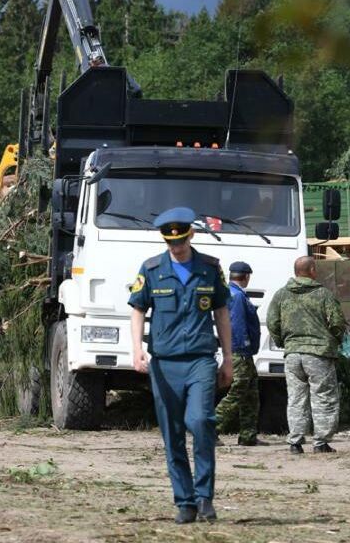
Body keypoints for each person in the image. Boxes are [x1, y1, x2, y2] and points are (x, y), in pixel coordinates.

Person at [128, 207, 233, 524]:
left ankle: (205, 498)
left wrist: (228, 358)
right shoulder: (151, 269)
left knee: (200, 422)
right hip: (164, 363)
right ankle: (185, 502)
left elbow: (222, 314)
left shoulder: (210, 269)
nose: (176, 247)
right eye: (171, 242)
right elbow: (137, 310)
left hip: (200, 360)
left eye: (181, 241)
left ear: (191, 235)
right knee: (172, 436)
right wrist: (136, 350)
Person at [267, 256, 345, 454]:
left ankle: (295, 442)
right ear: (311, 270)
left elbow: (272, 322)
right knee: (323, 396)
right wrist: (333, 341)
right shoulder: (323, 294)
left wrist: (283, 343)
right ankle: (321, 442)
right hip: (318, 353)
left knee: (296, 397)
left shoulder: (281, 295)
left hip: (292, 354)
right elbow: (337, 322)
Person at [215, 262, 266, 446]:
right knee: (237, 393)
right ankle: (210, 430)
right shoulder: (237, 297)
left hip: (243, 353)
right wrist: (244, 347)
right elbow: (237, 325)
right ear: (246, 277)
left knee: (251, 395)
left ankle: (248, 435)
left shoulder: (233, 293)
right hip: (240, 353)